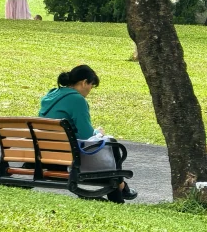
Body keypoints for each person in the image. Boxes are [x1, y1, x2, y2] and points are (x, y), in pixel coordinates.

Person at [39, 64, 136, 201]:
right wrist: (98, 132)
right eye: (91, 85)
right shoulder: (77, 99)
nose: (90, 90)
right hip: (68, 152)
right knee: (111, 145)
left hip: (45, 150)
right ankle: (119, 188)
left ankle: (121, 186)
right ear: (84, 82)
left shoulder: (51, 94)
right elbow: (87, 136)